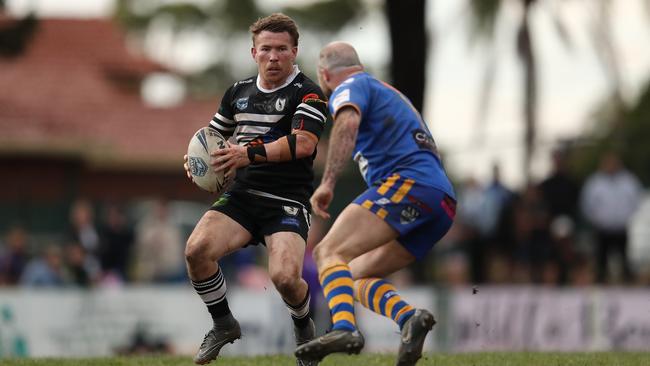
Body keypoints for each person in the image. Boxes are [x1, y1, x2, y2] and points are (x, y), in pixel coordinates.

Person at [295, 42, 456, 366]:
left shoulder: (351, 87)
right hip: (442, 203)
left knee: (327, 253)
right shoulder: (387, 91)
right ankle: (409, 318)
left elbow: (348, 124)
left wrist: (327, 183)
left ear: (325, 75)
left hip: (410, 185)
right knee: (351, 275)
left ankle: (344, 328)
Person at [182, 13, 328, 366]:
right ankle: (223, 324)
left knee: (284, 278)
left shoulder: (308, 92)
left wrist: (246, 154)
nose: (273, 57)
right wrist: (198, 162)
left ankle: (303, 326)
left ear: (295, 51)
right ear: (253, 52)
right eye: (266, 49)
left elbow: (305, 144)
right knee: (196, 251)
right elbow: (213, 139)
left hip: (287, 200)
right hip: (243, 196)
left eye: (281, 49)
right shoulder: (237, 92)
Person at [580, 151, 642, 284]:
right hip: (602, 229)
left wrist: (626, 217)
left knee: (625, 262)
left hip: (621, 228)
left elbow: (636, 202)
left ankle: (628, 289)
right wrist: (597, 220)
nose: (611, 166)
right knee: (601, 262)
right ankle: (600, 288)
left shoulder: (629, 181)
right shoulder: (595, 182)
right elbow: (586, 204)